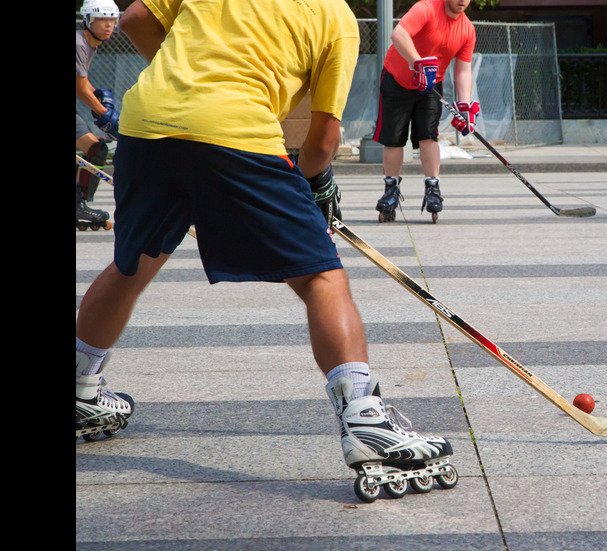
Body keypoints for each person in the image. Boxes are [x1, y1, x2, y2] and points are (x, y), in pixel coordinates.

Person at [75, 0, 454, 499]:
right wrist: (316, 186)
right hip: (237, 135)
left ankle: (80, 387)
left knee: (133, 264)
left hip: (149, 124)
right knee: (321, 275)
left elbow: (136, 18)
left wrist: (183, 74)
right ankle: (366, 421)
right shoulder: (335, 17)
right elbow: (322, 137)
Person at [372, 0, 477, 223]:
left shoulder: (467, 29)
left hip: (431, 85)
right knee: (393, 139)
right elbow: (399, 34)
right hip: (397, 79)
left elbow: (463, 70)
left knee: (429, 135)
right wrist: (417, 63)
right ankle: (391, 190)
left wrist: (464, 105)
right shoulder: (426, 8)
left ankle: (432, 188)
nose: (462, 0)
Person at [75, 0, 121, 230]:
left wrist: (98, 100)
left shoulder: (90, 44)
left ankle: (79, 203)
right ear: (88, 20)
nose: (108, 25)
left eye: (112, 19)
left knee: (96, 150)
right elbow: (80, 89)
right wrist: (106, 117)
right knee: (93, 149)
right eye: (102, 19)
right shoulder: (78, 43)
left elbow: (84, 84)